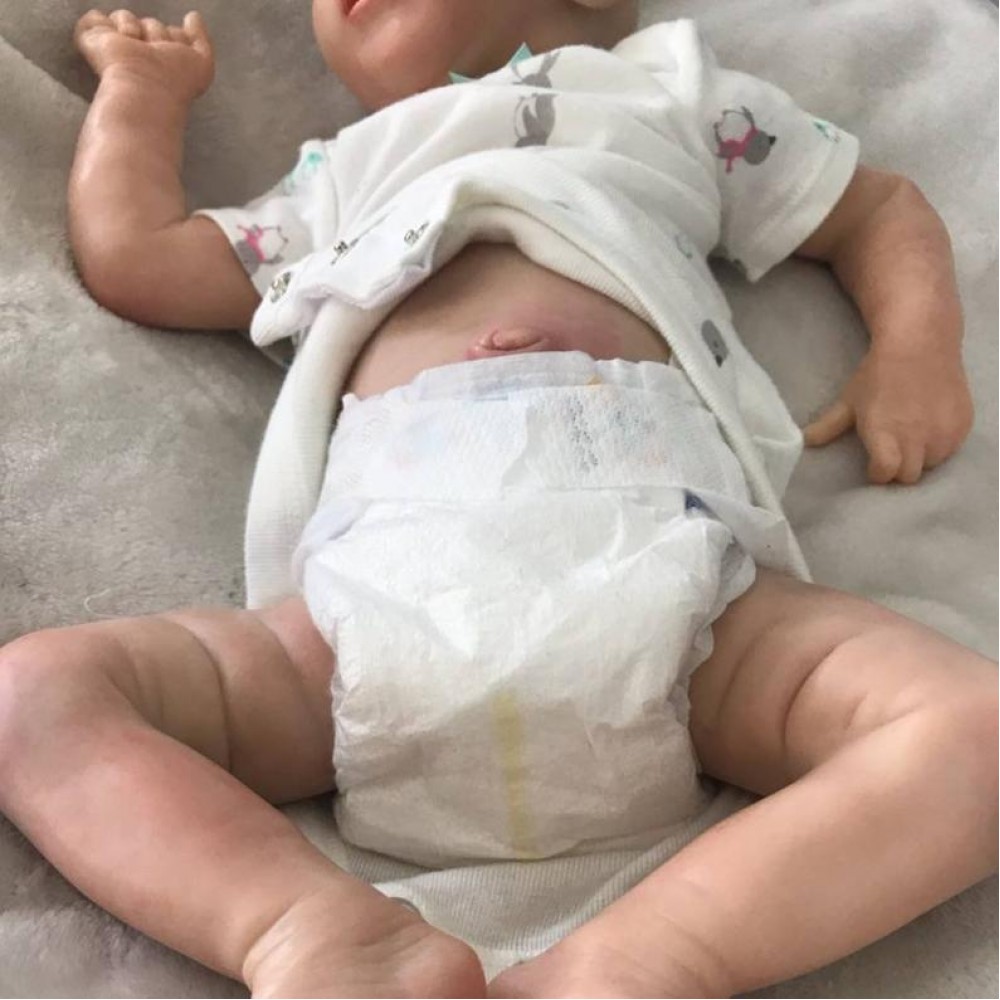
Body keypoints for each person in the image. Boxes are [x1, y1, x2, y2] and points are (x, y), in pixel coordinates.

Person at [0, 2, 995, 997]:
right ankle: (306, 929)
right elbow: (142, 259)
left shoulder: (667, 90)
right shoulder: (343, 170)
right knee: (32, 698)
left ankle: (653, 954)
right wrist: (142, 97)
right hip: (369, 607)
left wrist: (916, 348)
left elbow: (875, 207)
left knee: (974, 729)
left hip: (682, 588)